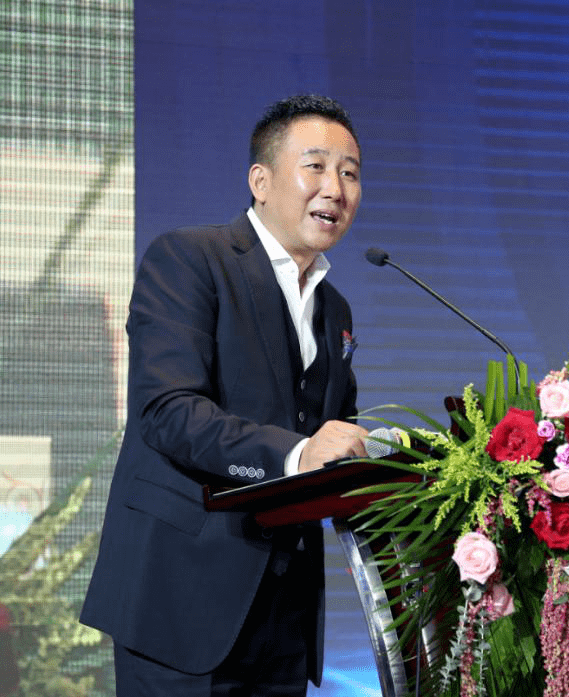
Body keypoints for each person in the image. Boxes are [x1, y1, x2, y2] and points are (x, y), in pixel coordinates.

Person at [80, 95, 370, 696]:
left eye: (350, 172)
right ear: (260, 182)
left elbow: (333, 431)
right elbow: (168, 412)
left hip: (283, 617)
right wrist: (296, 454)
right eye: (316, 166)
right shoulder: (189, 259)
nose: (336, 189)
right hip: (178, 602)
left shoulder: (334, 308)